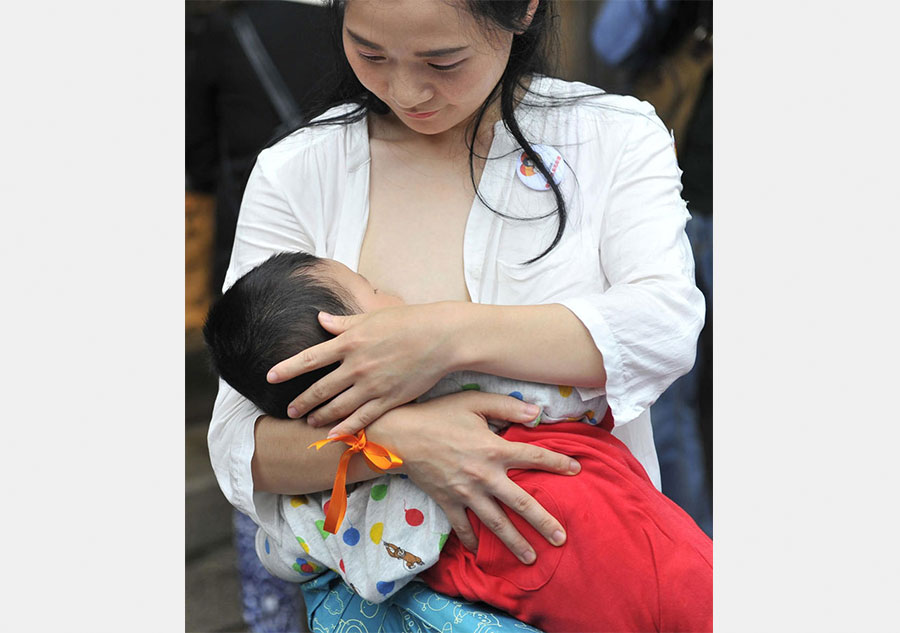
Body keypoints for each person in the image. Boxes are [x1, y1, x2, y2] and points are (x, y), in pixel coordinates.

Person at [207, 0, 706, 631]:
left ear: (523, 11)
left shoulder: (609, 136)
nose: (407, 91)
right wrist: (401, 443)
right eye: (370, 53)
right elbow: (237, 444)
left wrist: (440, 338)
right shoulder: (300, 170)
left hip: (591, 577)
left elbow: (663, 324)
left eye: (443, 61)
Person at [203, 250, 712, 631]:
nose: (392, 295)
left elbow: (286, 550)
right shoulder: (453, 377)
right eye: (371, 287)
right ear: (344, 334)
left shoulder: (316, 495)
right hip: (560, 508)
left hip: (481, 561)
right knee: (694, 595)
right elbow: (572, 393)